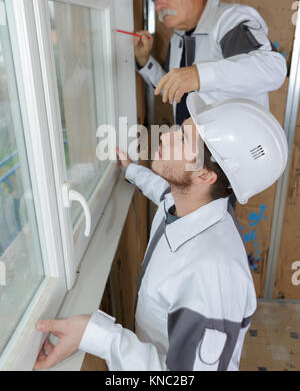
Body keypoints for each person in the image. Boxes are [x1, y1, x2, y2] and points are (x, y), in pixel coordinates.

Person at [34, 94, 288, 371]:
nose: (167, 136)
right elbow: (163, 191)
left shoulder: (212, 273)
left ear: (204, 176)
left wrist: (94, 335)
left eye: (182, 140)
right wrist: (132, 171)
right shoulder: (193, 204)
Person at [134, 0, 287, 127]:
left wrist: (199, 75)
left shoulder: (230, 21)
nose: (159, 4)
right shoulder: (177, 38)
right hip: (192, 150)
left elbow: (272, 69)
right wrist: (145, 62)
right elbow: (174, 85)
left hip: (235, 151)